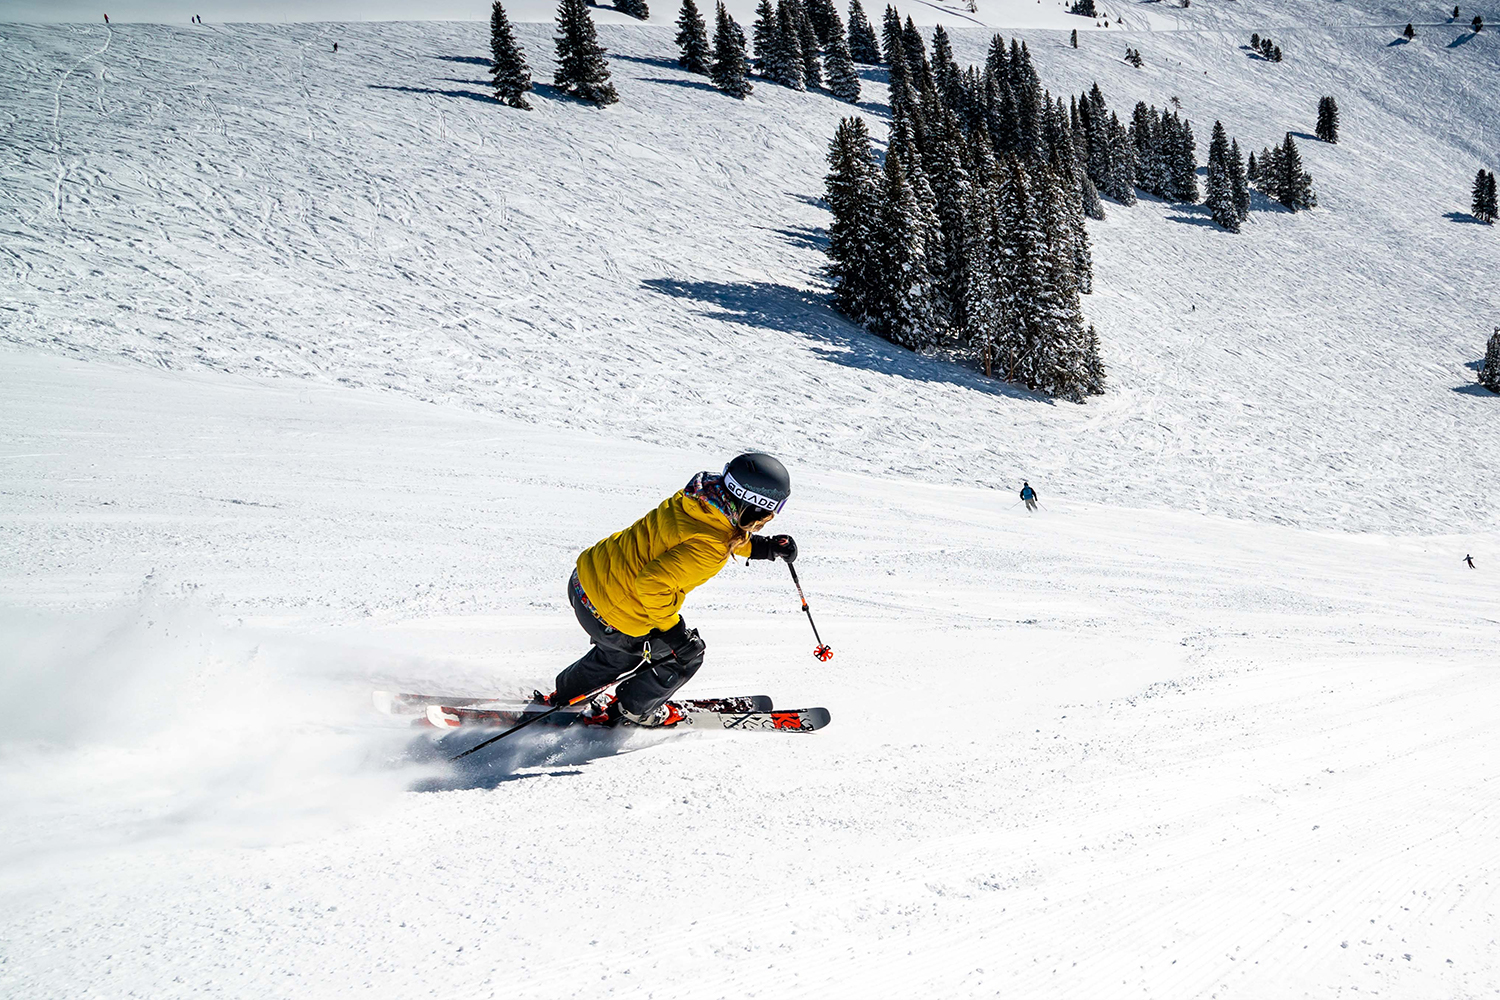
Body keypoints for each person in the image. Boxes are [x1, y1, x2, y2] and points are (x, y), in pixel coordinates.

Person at [545, 453, 798, 727]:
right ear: (753, 506)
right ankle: (634, 711)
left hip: (586, 582)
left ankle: (567, 696)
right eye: (771, 511)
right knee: (684, 657)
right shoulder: (711, 546)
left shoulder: (697, 498)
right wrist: (676, 636)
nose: (769, 518)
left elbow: (703, 534)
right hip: (613, 611)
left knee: (617, 654)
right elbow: (653, 585)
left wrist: (763, 548)